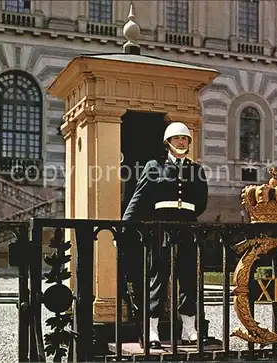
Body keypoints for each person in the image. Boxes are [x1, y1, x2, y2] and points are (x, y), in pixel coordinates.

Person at [122, 121, 208, 348]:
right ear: (168, 143)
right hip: (161, 230)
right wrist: (123, 229)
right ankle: (152, 331)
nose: (181, 142)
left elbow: (200, 204)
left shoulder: (196, 170)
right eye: (177, 139)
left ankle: (189, 329)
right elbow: (138, 199)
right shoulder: (153, 167)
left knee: (188, 278)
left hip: (188, 229)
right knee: (158, 279)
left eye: (185, 139)